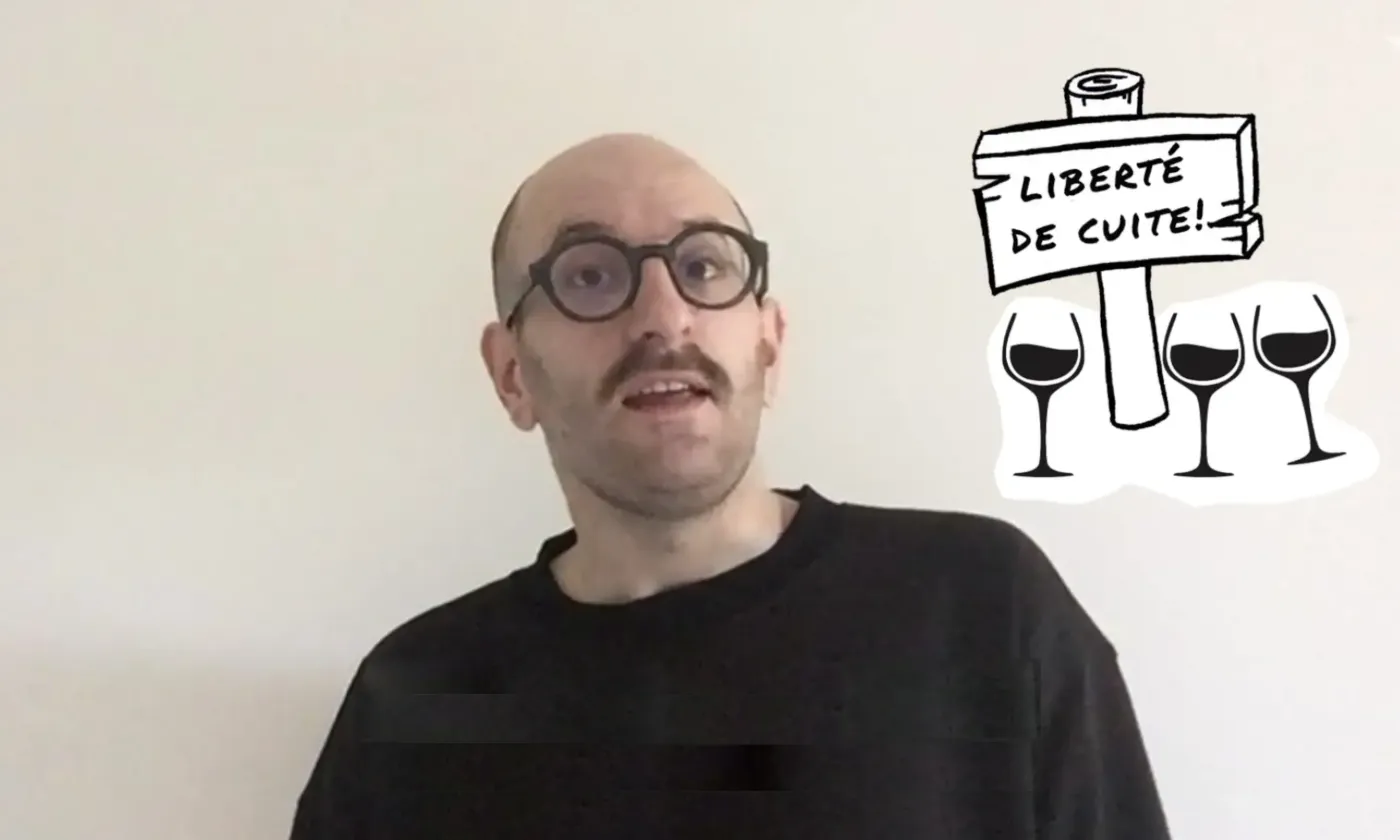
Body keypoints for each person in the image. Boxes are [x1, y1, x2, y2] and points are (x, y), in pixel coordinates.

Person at [288, 133, 1173, 839]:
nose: (664, 316)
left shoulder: (981, 602)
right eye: (589, 274)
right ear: (511, 373)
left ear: (769, 343)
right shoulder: (413, 700)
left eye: (704, 266)